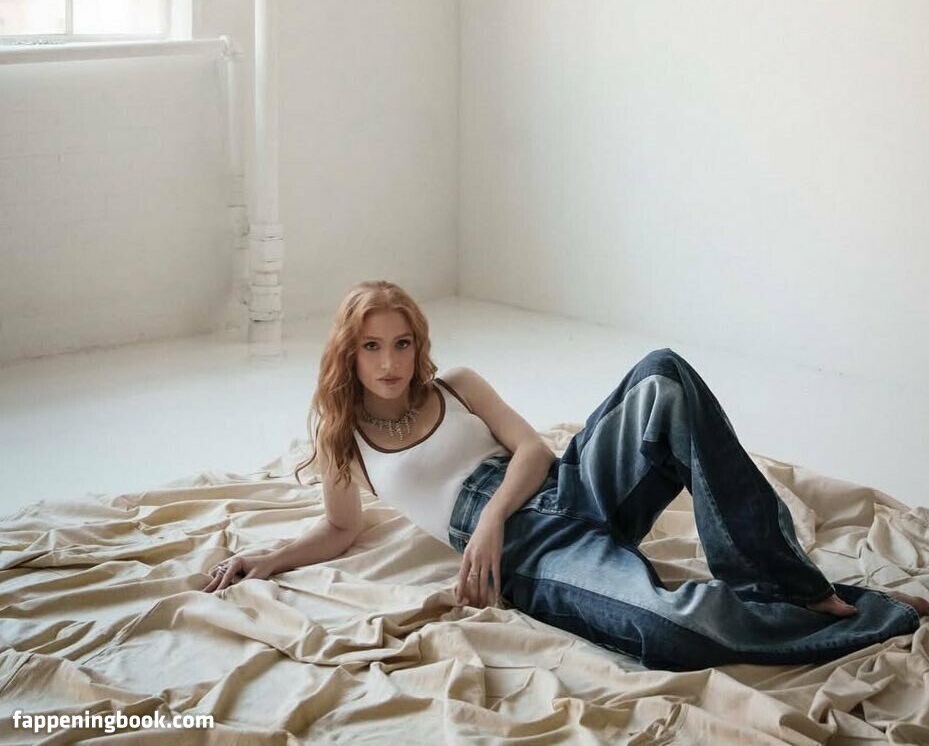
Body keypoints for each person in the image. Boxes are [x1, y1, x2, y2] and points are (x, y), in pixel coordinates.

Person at [201, 280, 926, 671]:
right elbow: (339, 528)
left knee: (663, 376)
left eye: (402, 343)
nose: (389, 362)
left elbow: (533, 450)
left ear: (419, 345)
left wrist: (489, 517)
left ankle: (787, 581)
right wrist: (264, 560)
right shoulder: (342, 437)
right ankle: (872, 614)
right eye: (371, 347)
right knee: (668, 632)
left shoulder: (455, 385)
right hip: (532, 555)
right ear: (348, 352)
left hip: (564, 489)